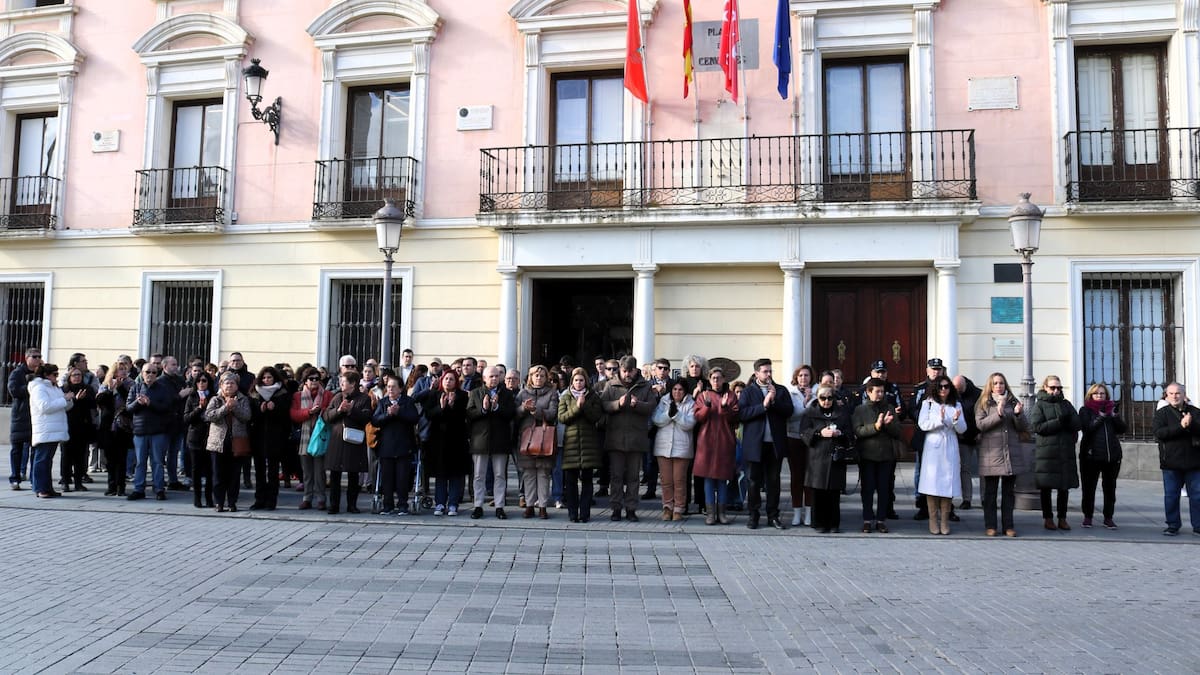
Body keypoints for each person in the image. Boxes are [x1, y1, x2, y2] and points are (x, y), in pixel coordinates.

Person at [600, 355, 658, 522]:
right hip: (615, 438)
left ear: (635, 370)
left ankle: (631, 509)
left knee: (633, 477)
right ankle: (616, 508)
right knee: (616, 477)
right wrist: (617, 404)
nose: (626, 374)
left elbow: (651, 407)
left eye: (629, 371)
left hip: (636, 439)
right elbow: (603, 405)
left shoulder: (644, 386)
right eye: (624, 371)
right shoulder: (611, 385)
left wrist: (637, 404)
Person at [738, 358, 794, 530]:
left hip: (774, 444)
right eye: (765, 371)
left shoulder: (781, 390)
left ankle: (773, 516)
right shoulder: (748, 392)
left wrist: (774, 400)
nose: (768, 374)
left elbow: (789, 411)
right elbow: (742, 414)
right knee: (753, 481)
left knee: (773, 482)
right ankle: (753, 515)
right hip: (755, 445)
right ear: (756, 373)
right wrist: (763, 405)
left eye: (770, 371)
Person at [974, 372, 1028, 537]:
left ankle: (1008, 526)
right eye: (995, 383)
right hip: (991, 454)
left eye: (1002, 383)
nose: (999, 386)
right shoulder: (984, 403)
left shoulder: (1012, 401)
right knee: (990, 493)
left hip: (1010, 454)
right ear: (990, 386)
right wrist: (998, 413)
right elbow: (980, 424)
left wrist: (1018, 415)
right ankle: (991, 525)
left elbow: (1024, 426)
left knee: (1008, 493)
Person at [1028, 375, 1082, 531]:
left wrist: (1068, 421)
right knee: (1046, 487)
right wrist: (1058, 422)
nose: (1056, 390)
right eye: (1053, 387)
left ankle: (1062, 518)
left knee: (1063, 487)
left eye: (1059, 388)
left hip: (1064, 452)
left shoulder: (1066, 404)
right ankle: (1048, 518)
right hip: (1047, 452)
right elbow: (1037, 427)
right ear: (1045, 388)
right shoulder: (1040, 406)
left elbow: (1077, 423)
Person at [916, 374, 967, 535]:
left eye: (946, 386)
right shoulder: (928, 404)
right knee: (932, 484)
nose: (943, 389)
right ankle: (933, 519)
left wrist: (955, 421)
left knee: (947, 483)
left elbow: (963, 428)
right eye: (940, 386)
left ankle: (944, 520)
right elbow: (923, 424)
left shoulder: (956, 404)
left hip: (950, 445)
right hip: (933, 446)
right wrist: (940, 419)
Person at [801, 385, 854, 533]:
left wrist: (840, 433)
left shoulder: (842, 414)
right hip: (817, 459)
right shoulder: (810, 413)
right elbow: (804, 433)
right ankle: (819, 523)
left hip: (836, 458)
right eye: (822, 398)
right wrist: (819, 433)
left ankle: (833, 523)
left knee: (833, 493)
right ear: (817, 398)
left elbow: (850, 434)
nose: (826, 401)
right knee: (818, 493)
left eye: (829, 398)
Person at [417, 369, 470, 516]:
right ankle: (440, 503)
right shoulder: (434, 395)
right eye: (446, 379)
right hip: (438, 441)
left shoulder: (463, 396)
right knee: (440, 474)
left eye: (452, 379)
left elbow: (463, 416)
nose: (448, 381)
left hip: (457, 440)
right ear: (442, 380)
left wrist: (452, 406)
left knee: (455, 474)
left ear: (456, 381)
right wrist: (441, 407)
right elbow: (428, 414)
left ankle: (453, 504)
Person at [466, 365, 517, 519]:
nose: (494, 379)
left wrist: (496, 408)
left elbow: (511, 413)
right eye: (491, 376)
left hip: (500, 440)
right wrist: (483, 409)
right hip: (480, 440)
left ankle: (500, 506)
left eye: (496, 376)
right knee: (478, 475)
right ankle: (478, 505)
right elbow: (469, 414)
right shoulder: (475, 393)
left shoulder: (507, 394)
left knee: (500, 475)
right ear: (484, 378)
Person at [852, 378, 902, 533]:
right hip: (867, 456)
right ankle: (867, 518)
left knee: (884, 489)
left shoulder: (889, 408)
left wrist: (887, 425)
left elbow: (897, 431)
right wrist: (876, 426)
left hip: (886, 456)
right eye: (877, 391)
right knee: (867, 489)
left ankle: (881, 519)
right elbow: (858, 431)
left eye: (882, 391)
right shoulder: (860, 409)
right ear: (868, 392)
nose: (880, 395)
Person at [1151, 383, 1200, 536]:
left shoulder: (1196, 412)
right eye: (1171, 393)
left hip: (1194, 462)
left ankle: (1198, 526)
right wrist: (1181, 426)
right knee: (1171, 496)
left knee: (1197, 496)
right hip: (1171, 462)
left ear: (1184, 395)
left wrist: (1191, 425)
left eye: (1177, 393)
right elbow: (1159, 433)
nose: (1174, 396)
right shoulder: (1162, 414)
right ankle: (1172, 525)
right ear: (1166, 395)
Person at [323, 369, 373, 514]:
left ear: (353, 384)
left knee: (353, 474)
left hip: (355, 440)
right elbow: (326, 416)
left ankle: (352, 505)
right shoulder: (337, 396)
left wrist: (352, 410)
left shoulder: (364, 398)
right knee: (335, 474)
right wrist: (339, 410)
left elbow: (367, 418)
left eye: (343, 382)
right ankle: (334, 505)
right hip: (337, 440)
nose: (341, 384)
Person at [693, 367, 738, 525]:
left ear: (724, 379)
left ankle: (722, 513)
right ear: (709, 380)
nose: (716, 381)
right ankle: (711, 514)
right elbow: (698, 417)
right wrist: (706, 405)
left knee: (722, 479)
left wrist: (725, 407)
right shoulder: (703, 395)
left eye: (719, 378)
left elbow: (735, 419)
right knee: (709, 480)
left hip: (725, 442)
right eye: (713, 378)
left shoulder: (731, 396)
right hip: (707, 442)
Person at [1078, 383, 1126, 529]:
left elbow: (1122, 429)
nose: (1099, 396)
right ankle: (1088, 516)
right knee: (1089, 488)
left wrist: (1115, 416)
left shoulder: (1111, 410)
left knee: (1110, 488)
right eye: (1096, 393)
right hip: (1091, 455)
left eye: (1102, 393)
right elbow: (1087, 428)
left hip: (1111, 455)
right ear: (1090, 395)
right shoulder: (1085, 410)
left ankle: (1108, 517)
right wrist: (1101, 416)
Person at [558, 367, 603, 523]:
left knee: (587, 481)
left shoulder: (593, 396)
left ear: (586, 382)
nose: (578, 383)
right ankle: (572, 513)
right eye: (576, 380)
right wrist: (577, 407)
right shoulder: (566, 397)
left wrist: (585, 406)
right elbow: (562, 417)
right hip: (571, 444)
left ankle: (585, 513)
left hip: (589, 444)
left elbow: (596, 416)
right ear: (572, 381)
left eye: (581, 380)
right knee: (570, 483)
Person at [203, 372, 252, 512]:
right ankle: (219, 502)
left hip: (237, 442)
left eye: (232, 383)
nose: (229, 385)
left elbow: (247, 416)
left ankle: (232, 502)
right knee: (218, 475)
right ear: (221, 386)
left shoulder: (243, 399)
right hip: (218, 443)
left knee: (234, 475)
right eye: (226, 383)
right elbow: (209, 416)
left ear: (237, 385)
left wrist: (234, 406)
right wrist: (226, 407)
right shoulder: (215, 399)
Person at [126, 361, 175, 501]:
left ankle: (159, 488)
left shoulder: (163, 388)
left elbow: (166, 407)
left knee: (158, 462)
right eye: (148, 372)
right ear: (142, 373)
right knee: (140, 462)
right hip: (140, 431)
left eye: (154, 372)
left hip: (158, 431)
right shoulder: (135, 388)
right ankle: (138, 489)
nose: (151, 375)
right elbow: (128, 408)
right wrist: (138, 402)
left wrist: (150, 403)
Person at [515, 365, 559, 519]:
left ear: (546, 378)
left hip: (544, 438)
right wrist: (523, 409)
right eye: (535, 375)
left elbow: (553, 414)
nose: (538, 378)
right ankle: (529, 505)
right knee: (528, 474)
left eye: (541, 375)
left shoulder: (552, 393)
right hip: (527, 438)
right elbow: (514, 415)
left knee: (543, 474)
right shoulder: (522, 393)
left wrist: (536, 412)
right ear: (530, 377)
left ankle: (542, 506)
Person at [372, 374, 419, 515]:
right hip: (386, 446)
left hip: (404, 446)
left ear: (400, 389)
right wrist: (388, 415)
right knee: (387, 478)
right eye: (388, 386)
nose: (390, 389)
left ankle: (402, 505)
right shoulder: (383, 402)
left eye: (393, 387)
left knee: (402, 478)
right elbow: (375, 420)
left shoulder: (408, 401)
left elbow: (414, 418)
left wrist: (399, 412)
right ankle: (388, 505)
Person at [248, 366, 292, 511]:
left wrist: (276, 408)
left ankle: (271, 501)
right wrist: (260, 410)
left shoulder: (282, 393)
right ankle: (259, 499)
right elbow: (250, 415)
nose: (267, 380)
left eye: (269, 378)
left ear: (275, 378)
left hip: (276, 437)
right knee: (259, 470)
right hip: (258, 436)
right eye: (264, 378)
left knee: (273, 471)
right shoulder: (254, 392)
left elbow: (286, 416)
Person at [651, 380, 696, 521]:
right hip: (663, 447)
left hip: (682, 448)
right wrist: (668, 415)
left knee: (679, 480)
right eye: (675, 389)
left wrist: (676, 415)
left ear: (685, 391)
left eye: (680, 389)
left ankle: (679, 509)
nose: (677, 392)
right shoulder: (664, 401)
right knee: (666, 480)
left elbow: (689, 424)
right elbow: (656, 419)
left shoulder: (691, 403)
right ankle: (667, 507)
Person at [291, 367, 333, 510]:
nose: (314, 381)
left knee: (320, 471)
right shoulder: (297, 396)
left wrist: (321, 411)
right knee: (307, 472)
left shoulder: (327, 394)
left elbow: (330, 412)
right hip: (305, 436)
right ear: (305, 381)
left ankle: (321, 499)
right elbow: (294, 414)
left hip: (320, 435)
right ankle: (307, 498)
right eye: (311, 379)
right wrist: (309, 412)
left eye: (317, 378)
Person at [28, 362, 70, 498]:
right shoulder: (39, 388)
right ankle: (40, 488)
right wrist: (64, 399)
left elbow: (62, 406)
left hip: (54, 429)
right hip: (45, 429)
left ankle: (47, 488)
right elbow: (44, 406)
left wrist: (69, 400)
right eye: (54, 374)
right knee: (42, 460)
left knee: (48, 460)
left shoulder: (54, 387)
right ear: (46, 375)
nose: (57, 377)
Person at [785, 365, 816, 526]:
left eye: (807, 375)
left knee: (809, 477)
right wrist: (805, 404)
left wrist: (810, 401)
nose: (804, 378)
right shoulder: (790, 394)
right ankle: (797, 512)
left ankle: (809, 512)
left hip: (811, 440)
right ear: (796, 378)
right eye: (801, 375)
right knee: (796, 477)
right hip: (794, 438)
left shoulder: (817, 394)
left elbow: (816, 415)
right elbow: (791, 415)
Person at [8, 347, 41, 490]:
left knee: (35, 450)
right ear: (27, 358)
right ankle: (15, 478)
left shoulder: (41, 373)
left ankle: (35, 479)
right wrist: (30, 386)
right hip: (21, 416)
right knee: (17, 450)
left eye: (39, 356)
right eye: (34, 356)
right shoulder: (17, 373)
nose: (37, 359)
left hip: (37, 416)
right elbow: (14, 390)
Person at [182, 371, 215, 508]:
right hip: (195, 437)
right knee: (196, 469)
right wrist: (199, 408)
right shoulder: (192, 397)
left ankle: (209, 497)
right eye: (199, 381)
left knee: (209, 470)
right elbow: (186, 418)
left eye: (204, 380)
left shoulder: (214, 397)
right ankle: (197, 497)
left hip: (210, 437)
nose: (201, 383)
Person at [61, 367, 97, 492]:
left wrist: (81, 399)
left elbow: (93, 403)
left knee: (80, 456)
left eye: (79, 375)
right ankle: (65, 481)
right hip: (68, 426)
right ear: (69, 377)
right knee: (66, 455)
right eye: (74, 375)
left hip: (83, 426)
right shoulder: (64, 389)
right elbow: (63, 405)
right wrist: (75, 399)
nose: (77, 377)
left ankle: (78, 482)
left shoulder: (88, 388)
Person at [954, 374, 983, 509]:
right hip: (963, 438)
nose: (957, 392)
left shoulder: (979, 394)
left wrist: (981, 432)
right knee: (965, 469)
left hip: (979, 437)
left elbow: (985, 414)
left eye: (959, 389)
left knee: (984, 470)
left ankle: (985, 498)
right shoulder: (954, 395)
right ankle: (967, 499)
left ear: (965, 385)